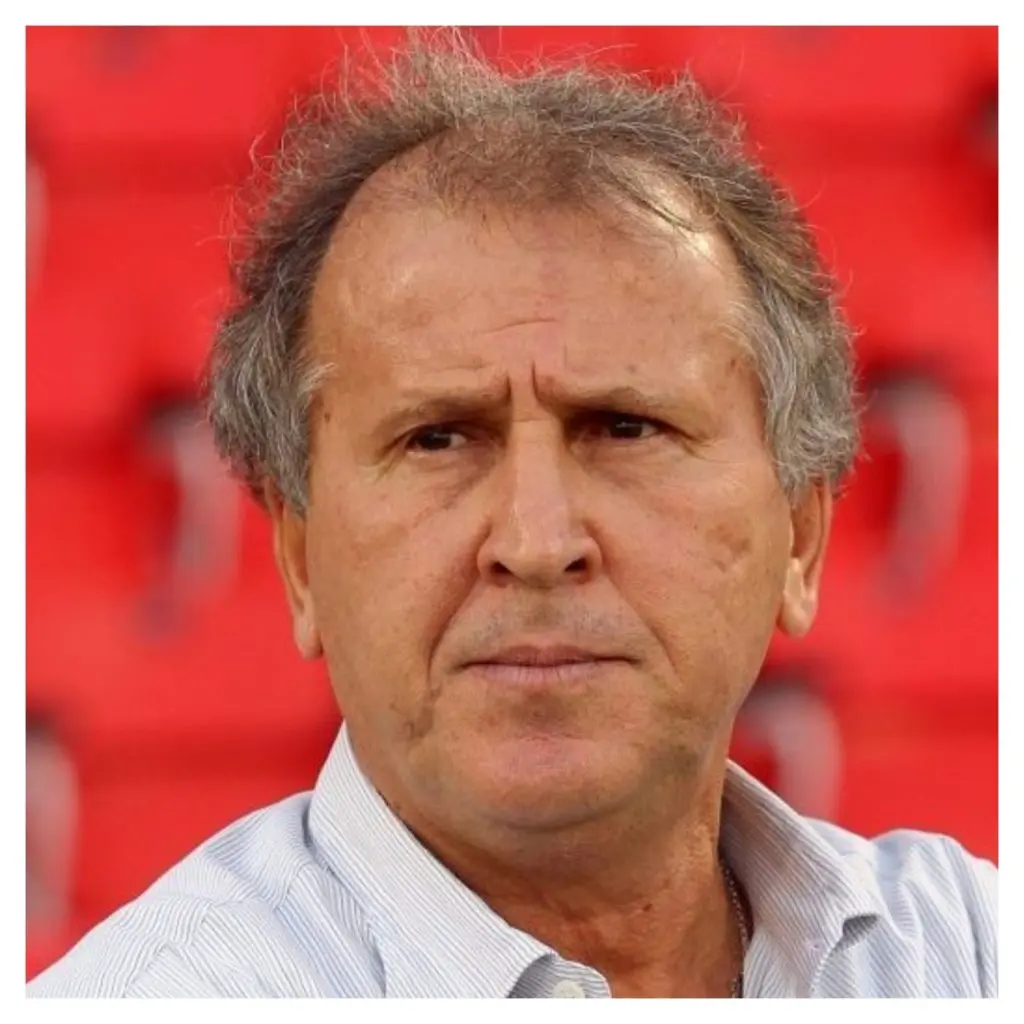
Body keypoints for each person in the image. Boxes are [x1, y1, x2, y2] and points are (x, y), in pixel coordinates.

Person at [29, 35, 997, 998]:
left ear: (801, 537)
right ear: (300, 560)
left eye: (625, 428)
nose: (537, 543)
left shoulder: (968, 951)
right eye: (438, 439)